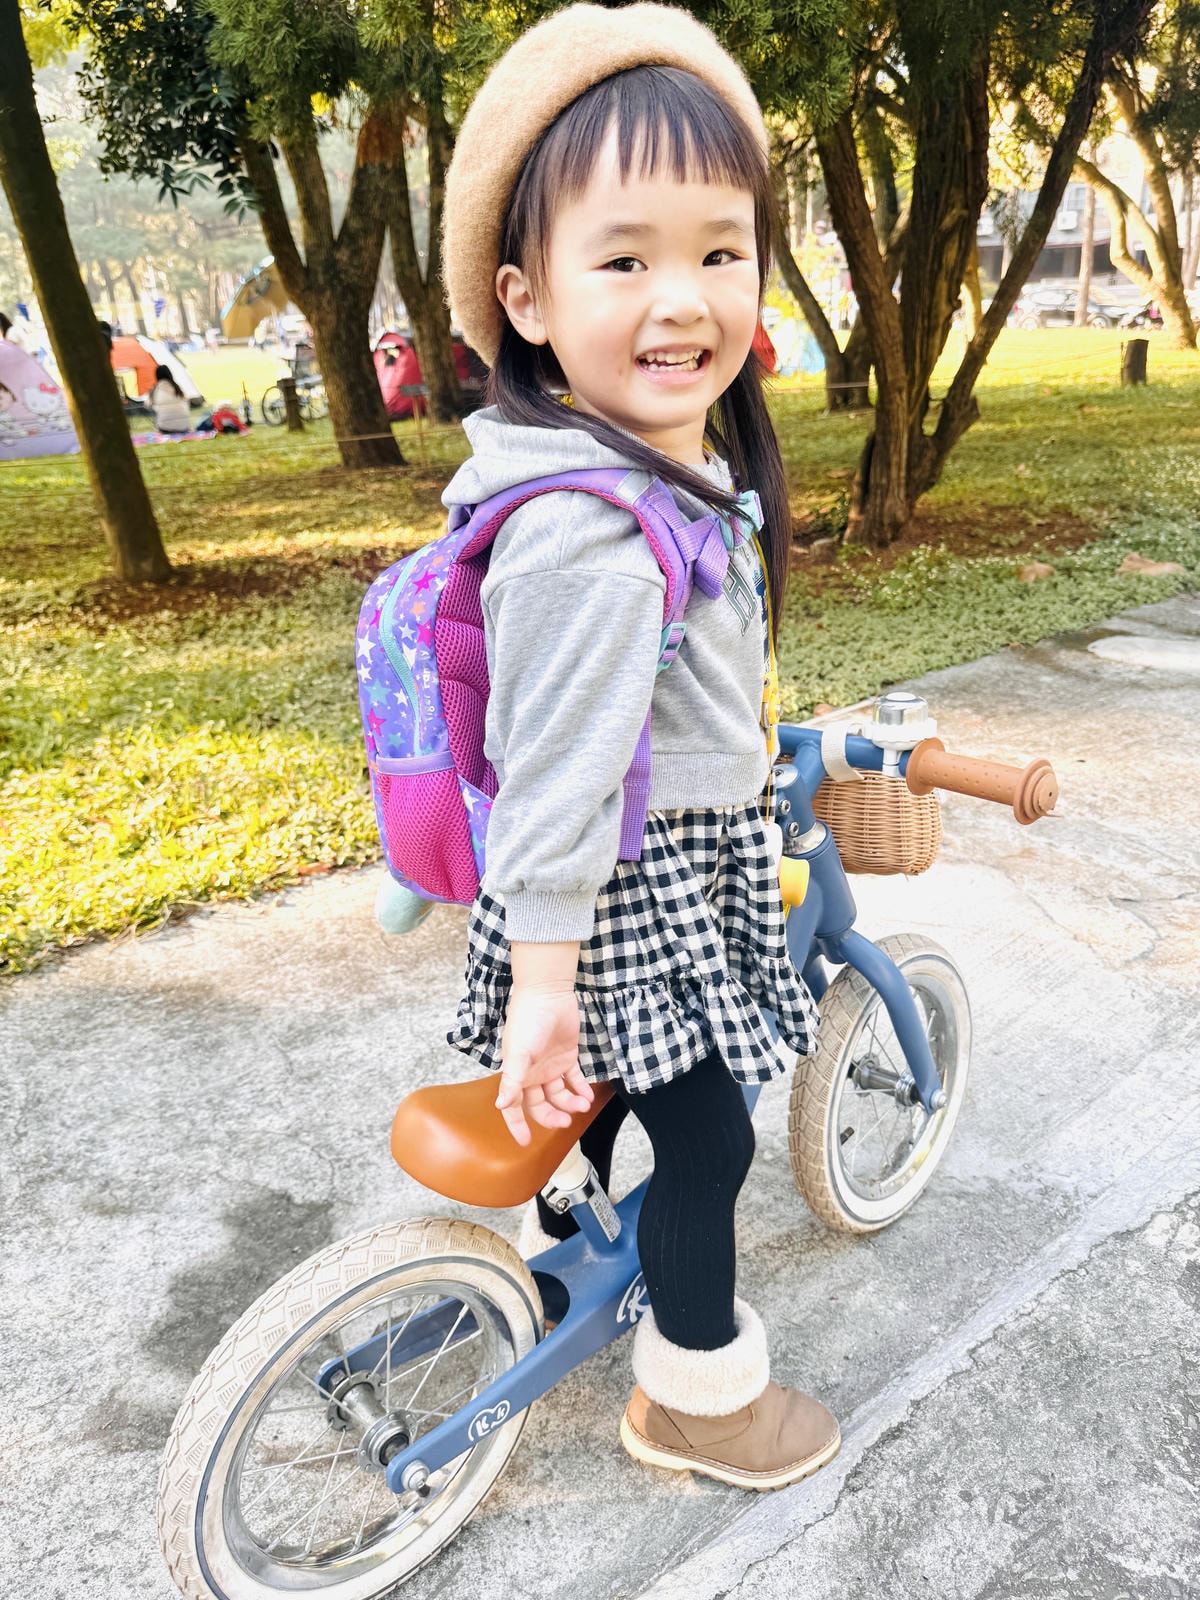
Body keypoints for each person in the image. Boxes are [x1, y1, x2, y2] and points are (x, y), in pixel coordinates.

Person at [438, 2, 838, 1492]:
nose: (683, 300)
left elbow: (684, 690)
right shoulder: (594, 538)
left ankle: (564, 1234)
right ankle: (699, 1397)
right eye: (626, 258)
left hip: (653, 869)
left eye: (719, 250)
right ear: (526, 297)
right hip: (614, 901)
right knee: (715, 1139)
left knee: (620, 1099)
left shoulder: (656, 469)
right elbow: (556, 774)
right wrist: (545, 990)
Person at [149, 363, 191, 433]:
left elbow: (148, 404)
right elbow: (186, 402)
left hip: (166, 428)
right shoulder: (177, 387)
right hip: (184, 426)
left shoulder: (155, 389)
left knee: (157, 411)